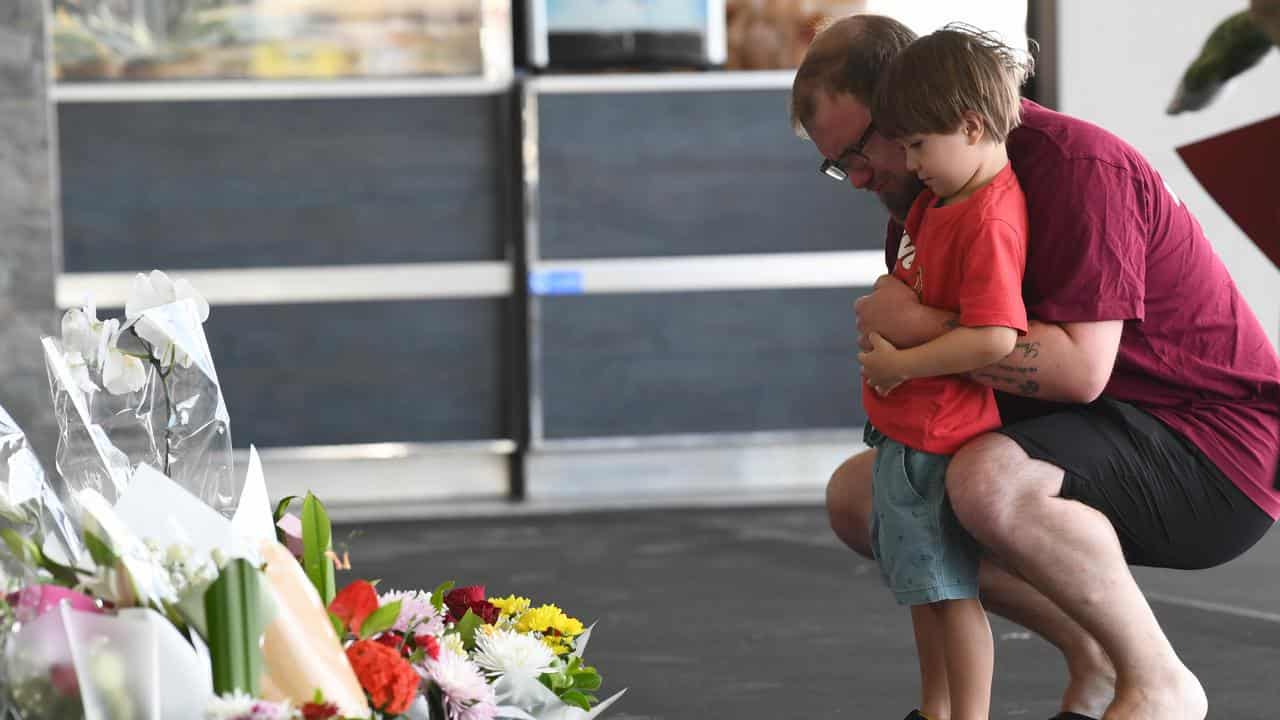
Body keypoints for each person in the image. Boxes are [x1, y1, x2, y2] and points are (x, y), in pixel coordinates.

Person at [789, 13, 1280, 720]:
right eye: (840, 166)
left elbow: (1080, 372)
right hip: (1089, 426)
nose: (861, 180)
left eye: (863, 152)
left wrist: (916, 327)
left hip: (1215, 449)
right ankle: (1093, 662)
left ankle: (1160, 682)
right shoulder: (924, 199)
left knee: (987, 481)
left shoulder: (1077, 165)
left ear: (916, 103)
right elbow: (943, 380)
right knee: (869, 497)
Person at [853, 25, 1033, 720]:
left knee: (951, 598)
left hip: (938, 437)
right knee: (924, 595)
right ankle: (936, 709)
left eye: (921, 146)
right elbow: (914, 282)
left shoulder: (988, 219)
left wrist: (904, 361)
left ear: (971, 124)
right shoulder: (941, 201)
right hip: (905, 434)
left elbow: (992, 336)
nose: (909, 163)